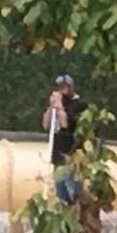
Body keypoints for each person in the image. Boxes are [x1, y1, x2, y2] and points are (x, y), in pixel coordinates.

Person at [41, 74, 88, 205]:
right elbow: (46, 124)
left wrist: (60, 108)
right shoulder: (56, 106)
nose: (61, 91)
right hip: (58, 156)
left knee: (73, 191)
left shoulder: (79, 105)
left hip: (72, 156)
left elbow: (65, 125)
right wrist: (51, 107)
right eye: (59, 88)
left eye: (64, 87)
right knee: (61, 194)